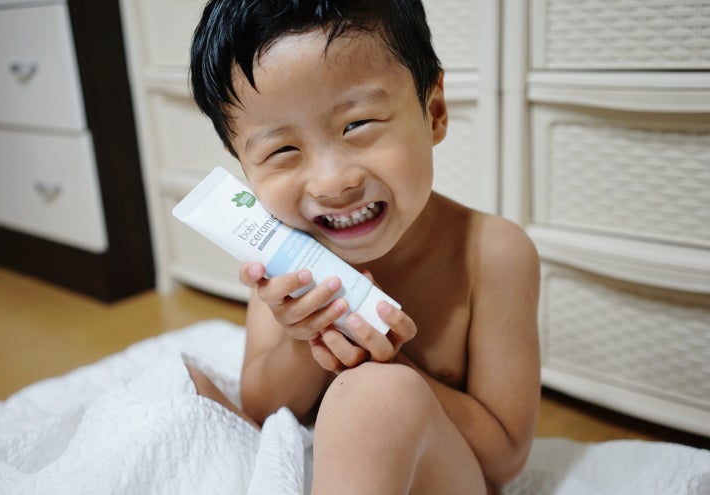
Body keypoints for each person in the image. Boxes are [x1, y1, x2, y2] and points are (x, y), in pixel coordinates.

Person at [186, 0, 541, 493]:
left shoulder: (492, 253)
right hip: (326, 472)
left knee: (375, 394)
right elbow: (263, 412)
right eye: (283, 150)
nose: (333, 183)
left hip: (440, 476)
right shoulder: (287, 256)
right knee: (181, 385)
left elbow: (503, 462)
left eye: (357, 124)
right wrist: (303, 338)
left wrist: (385, 365)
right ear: (243, 165)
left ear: (434, 111)